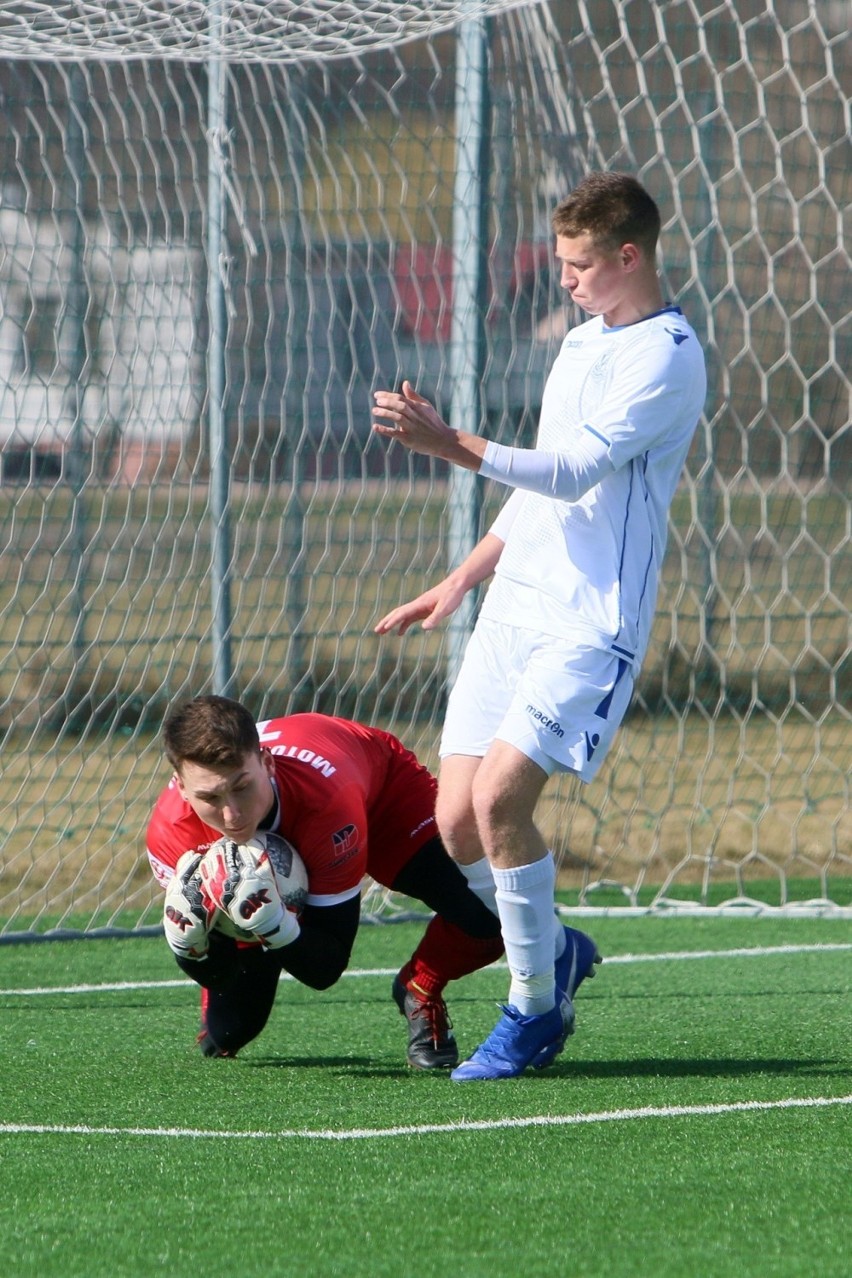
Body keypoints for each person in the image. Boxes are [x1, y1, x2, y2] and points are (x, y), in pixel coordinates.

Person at [372, 171, 707, 1081]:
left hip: (589, 624)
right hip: (514, 608)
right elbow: (533, 496)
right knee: (453, 826)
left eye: (579, 263)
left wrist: (451, 445)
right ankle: (555, 952)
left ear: (628, 256)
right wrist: (461, 579)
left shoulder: (667, 356)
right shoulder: (584, 340)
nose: (564, 278)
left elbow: (571, 470)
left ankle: (531, 1009)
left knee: (500, 804)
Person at [147, 694, 514, 1069]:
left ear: (267, 763)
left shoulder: (326, 804)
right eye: (209, 796)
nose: (231, 814)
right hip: (318, 812)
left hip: (378, 794)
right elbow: (217, 967)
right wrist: (189, 948)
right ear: (180, 785)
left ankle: (419, 987)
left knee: (486, 916)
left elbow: (327, 966)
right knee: (228, 1032)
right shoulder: (170, 837)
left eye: (242, 787)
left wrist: (275, 926)